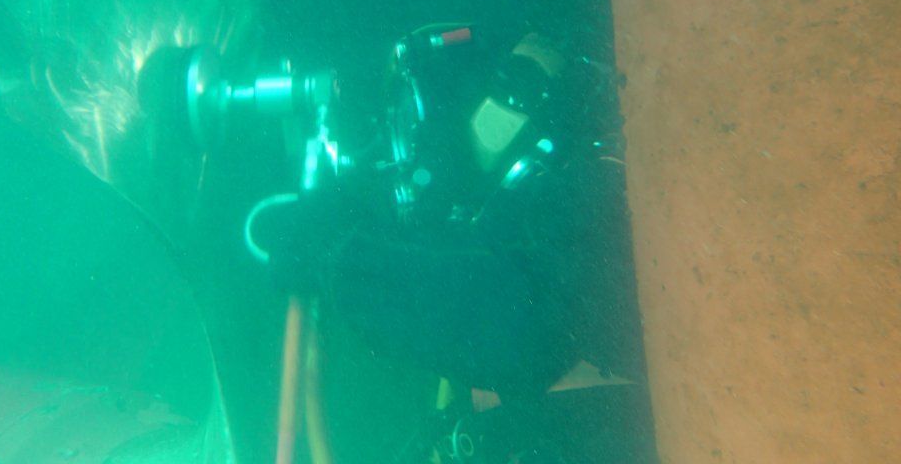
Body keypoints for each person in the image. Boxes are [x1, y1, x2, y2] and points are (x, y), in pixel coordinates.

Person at [263, 25, 658, 463]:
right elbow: (489, 281)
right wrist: (359, 236)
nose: (500, 114)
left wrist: (342, 260)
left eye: (523, 88)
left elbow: (527, 321)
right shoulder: (538, 209)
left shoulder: (602, 191)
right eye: (505, 84)